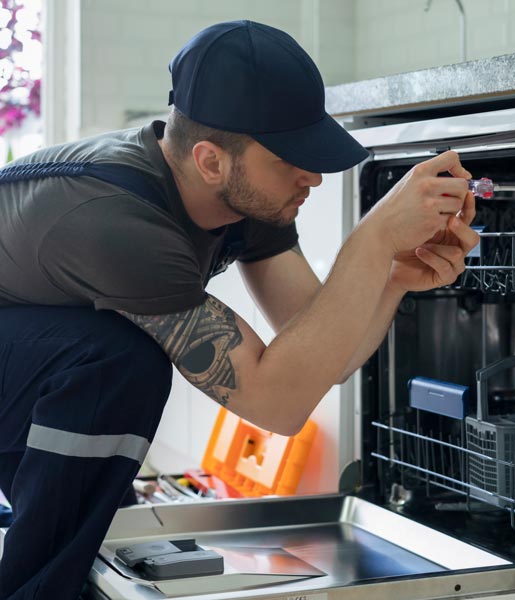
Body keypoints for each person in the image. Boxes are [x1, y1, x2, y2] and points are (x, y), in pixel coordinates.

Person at [0, 19, 478, 600]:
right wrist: (371, 241)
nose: (314, 178)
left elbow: (324, 352)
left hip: (22, 349)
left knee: (103, 384)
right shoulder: (121, 225)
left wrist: (392, 277)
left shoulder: (247, 198)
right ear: (210, 161)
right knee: (119, 361)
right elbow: (275, 402)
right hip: (24, 349)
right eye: (290, 159)